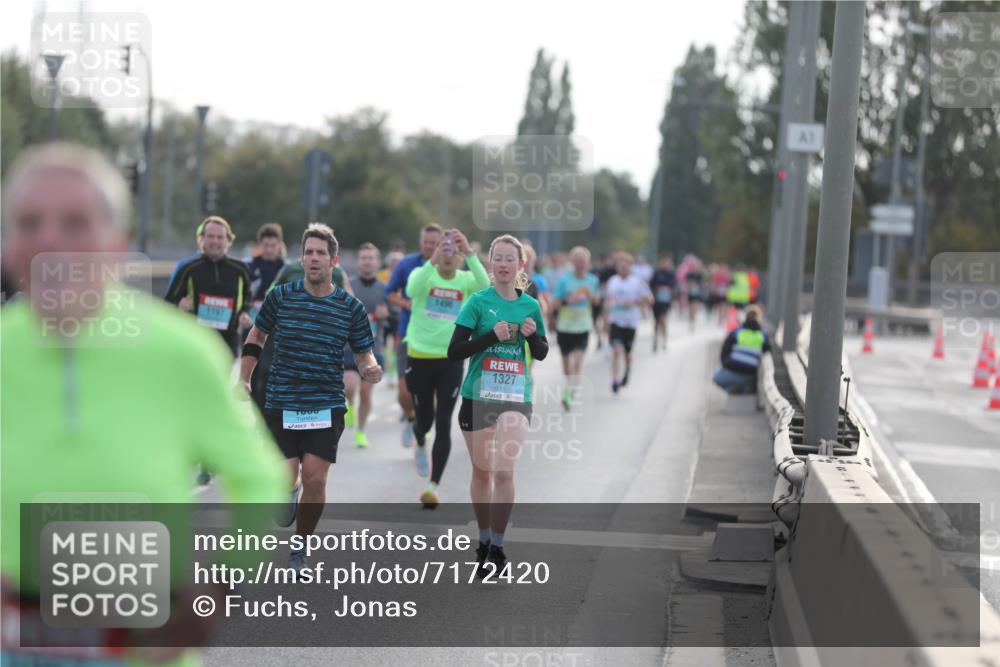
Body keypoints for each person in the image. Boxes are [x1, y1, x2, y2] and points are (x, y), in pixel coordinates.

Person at [1, 142, 287, 666]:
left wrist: (219, 589)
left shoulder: (180, 351)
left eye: (74, 222)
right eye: (28, 222)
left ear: (117, 243)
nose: (49, 239)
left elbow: (259, 478)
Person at [239, 223, 382, 571]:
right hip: (283, 401)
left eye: (320, 253)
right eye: (309, 253)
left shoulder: (350, 307)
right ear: (301, 259)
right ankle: (287, 490)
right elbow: (257, 336)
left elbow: (364, 353)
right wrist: (244, 378)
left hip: (325, 403)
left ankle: (299, 548)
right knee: (285, 477)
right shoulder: (281, 297)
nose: (314, 258)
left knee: (316, 478)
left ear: (333, 260)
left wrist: (370, 368)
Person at [448, 234, 548, 575]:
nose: (504, 264)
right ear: (491, 263)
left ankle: (498, 546)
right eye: (498, 258)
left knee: (504, 471)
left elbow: (543, 352)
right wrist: (492, 336)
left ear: (521, 264)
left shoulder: (530, 305)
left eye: (510, 259)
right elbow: (455, 351)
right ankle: (483, 538)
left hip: (516, 395)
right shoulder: (477, 302)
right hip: (478, 394)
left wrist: (532, 337)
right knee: (483, 472)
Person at [404, 228, 489, 508]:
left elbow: (485, 286)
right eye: (444, 250)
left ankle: (433, 485)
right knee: (425, 420)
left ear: (460, 256)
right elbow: (411, 290)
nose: (449, 256)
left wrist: (471, 253)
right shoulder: (423, 274)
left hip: (450, 359)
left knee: (443, 421)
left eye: (454, 251)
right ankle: (419, 436)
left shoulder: (466, 281)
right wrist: (433, 260)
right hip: (419, 356)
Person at [385, 223, 442, 447]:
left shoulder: (449, 267)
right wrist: (407, 304)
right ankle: (410, 419)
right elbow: (390, 293)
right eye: (426, 242)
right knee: (404, 392)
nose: (429, 246)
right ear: (420, 242)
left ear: (440, 244)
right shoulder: (406, 264)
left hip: (436, 340)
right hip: (408, 334)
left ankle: (423, 427)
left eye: (433, 243)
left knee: (431, 394)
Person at [164, 215, 253, 357]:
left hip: (228, 342)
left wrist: (244, 313)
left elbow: (248, 297)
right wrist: (178, 306)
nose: (215, 241)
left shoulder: (241, 269)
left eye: (220, 237)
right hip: (195, 341)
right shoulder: (188, 268)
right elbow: (168, 303)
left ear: (229, 240)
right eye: (210, 236)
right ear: (202, 239)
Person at [343, 242, 390, 448]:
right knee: (349, 385)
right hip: (349, 348)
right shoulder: (348, 286)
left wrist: (385, 315)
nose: (367, 262)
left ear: (377, 262)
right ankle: (350, 405)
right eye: (363, 258)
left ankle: (361, 431)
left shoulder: (384, 289)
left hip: (374, 348)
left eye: (370, 258)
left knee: (366, 392)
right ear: (358, 262)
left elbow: (394, 318)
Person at [552, 246, 601, 410]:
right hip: (565, 327)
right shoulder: (565, 280)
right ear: (573, 262)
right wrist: (568, 300)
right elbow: (555, 302)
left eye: (583, 261)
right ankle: (570, 385)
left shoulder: (593, 280)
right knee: (567, 368)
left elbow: (596, 300)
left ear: (588, 263)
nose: (581, 264)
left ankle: (569, 394)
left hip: (583, 326)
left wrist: (593, 298)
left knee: (578, 362)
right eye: (578, 261)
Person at [604, 252, 653, 393]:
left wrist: (634, 302)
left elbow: (649, 300)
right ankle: (615, 379)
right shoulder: (612, 281)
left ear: (630, 267)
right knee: (616, 350)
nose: (623, 268)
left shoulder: (637, 282)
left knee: (627, 352)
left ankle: (627, 370)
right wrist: (605, 317)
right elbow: (608, 300)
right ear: (617, 267)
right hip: (615, 321)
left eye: (625, 266)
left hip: (631, 322)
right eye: (620, 266)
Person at [713, 304, 770, 395]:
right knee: (747, 388)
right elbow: (767, 351)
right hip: (750, 375)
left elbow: (724, 352)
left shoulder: (737, 332)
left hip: (733, 370)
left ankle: (733, 390)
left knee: (716, 378)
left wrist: (726, 365)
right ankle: (745, 389)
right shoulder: (763, 335)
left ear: (745, 317)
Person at [245, 222, 286, 317]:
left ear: (279, 245)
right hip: (252, 314)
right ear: (260, 244)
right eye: (266, 245)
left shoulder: (285, 267)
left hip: (277, 315)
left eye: (273, 245)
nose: (269, 250)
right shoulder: (248, 264)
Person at [379, 250, 404, 386]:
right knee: (382, 344)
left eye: (397, 262)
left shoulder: (405, 276)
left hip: (398, 315)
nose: (395, 265)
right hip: (385, 314)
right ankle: (382, 369)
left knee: (396, 345)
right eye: (392, 262)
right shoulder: (382, 275)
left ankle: (392, 374)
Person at [649, 255, 677, 352]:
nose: (665, 264)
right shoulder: (656, 273)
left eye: (666, 263)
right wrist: (657, 289)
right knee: (656, 321)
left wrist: (670, 292)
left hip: (666, 301)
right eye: (663, 262)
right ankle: (655, 338)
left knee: (663, 319)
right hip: (656, 301)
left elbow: (674, 286)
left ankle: (664, 339)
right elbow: (651, 286)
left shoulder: (671, 274)